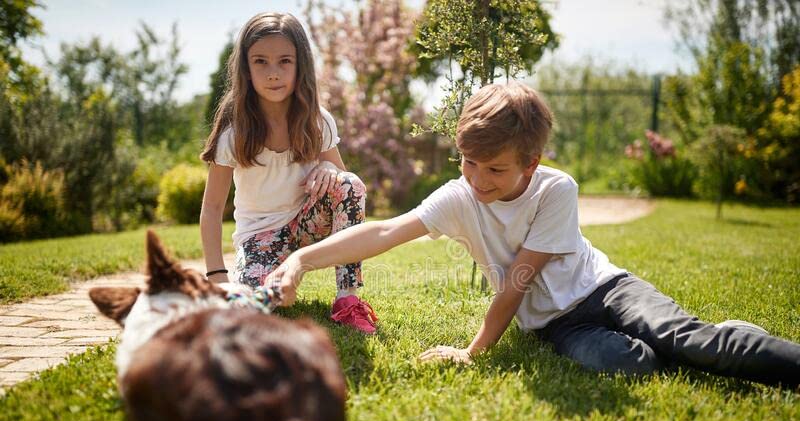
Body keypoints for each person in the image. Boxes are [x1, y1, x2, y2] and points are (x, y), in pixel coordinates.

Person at [267, 81, 800, 387]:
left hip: (609, 290)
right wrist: (301, 261)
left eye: (494, 170)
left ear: (530, 163)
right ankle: (703, 342)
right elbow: (384, 231)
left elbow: (519, 279)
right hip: (557, 327)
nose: (477, 180)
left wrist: (473, 351)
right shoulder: (461, 194)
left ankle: (727, 340)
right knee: (631, 365)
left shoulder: (555, 189)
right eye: (468, 163)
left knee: (688, 340)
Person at [199, 12, 377, 333]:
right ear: (246, 69)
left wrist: (325, 165)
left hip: (308, 227)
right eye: (261, 62)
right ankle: (260, 281)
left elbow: (344, 188)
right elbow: (212, 209)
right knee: (250, 306)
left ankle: (348, 299)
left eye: (284, 61)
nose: (273, 73)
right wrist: (217, 278)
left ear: (300, 65)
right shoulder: (234, 132)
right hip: (260, 238)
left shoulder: (317, 121)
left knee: (350, 184)